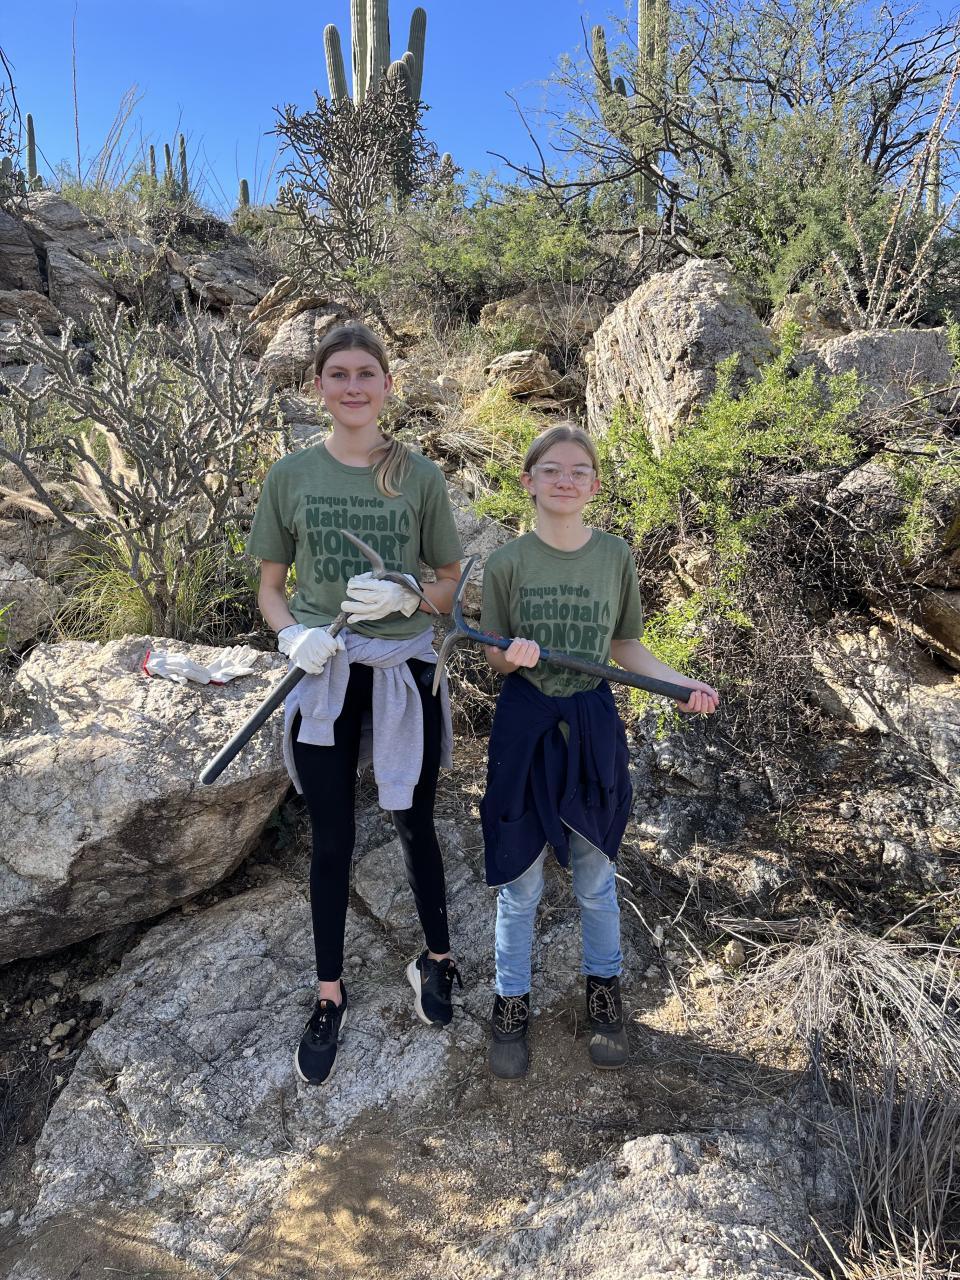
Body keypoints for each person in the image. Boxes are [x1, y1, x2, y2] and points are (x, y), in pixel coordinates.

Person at [247, 322, 464, 1087]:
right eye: (337, 373)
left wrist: (409, 592)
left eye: (366, 372)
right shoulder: (291, 476)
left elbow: (450, 582)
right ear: (318, 387)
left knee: (414, 820)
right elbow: (271, 588)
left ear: (387, 385)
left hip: (404, 667)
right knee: (332, 835)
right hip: (326, 668)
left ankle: (437, 959)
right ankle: (329, 994)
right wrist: (290, 637)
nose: (352, 385)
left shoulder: (419, 476)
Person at [479, 424, 719, 1080]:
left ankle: (604, 999)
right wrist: (513, 654)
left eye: (578, 471)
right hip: (526, 726)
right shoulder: (506, 564)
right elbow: (495, 657)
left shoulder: (614, 556)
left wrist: (682, 685)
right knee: (519, 882)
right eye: (551, 470)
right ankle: (510, 1004)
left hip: (591, 723)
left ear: (594, 485)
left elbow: (626, 647)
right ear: (528, 481)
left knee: (594, 876)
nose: (565, 480)